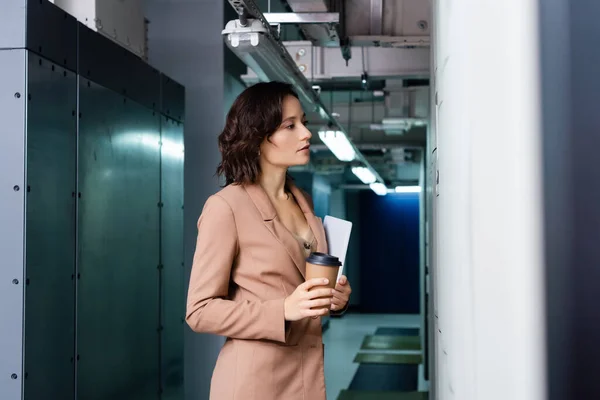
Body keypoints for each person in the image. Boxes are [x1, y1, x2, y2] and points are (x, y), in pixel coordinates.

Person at [185, 81, 352, 400]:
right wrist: (283, 310)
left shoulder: (302, 200)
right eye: (290, 125)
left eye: (303, 122)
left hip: (305, 380)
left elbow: (300, 287)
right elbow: (200, 311)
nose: (306, 133)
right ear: (259, 137)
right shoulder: (226, 208)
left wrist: (334, 300)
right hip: (253, 384)